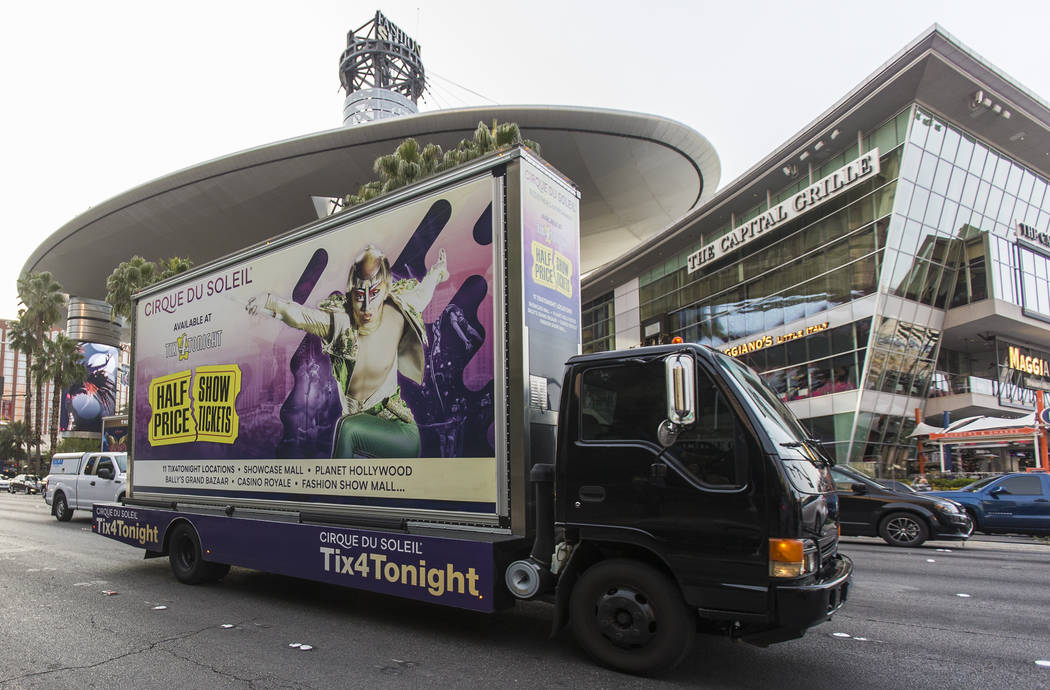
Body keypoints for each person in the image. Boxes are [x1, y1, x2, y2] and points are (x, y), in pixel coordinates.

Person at [248, 244, 449, 458]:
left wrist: (437, 272)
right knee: (349, 427)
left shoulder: (398, 312)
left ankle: (337, 490)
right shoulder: (341, 326)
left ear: (385, 290)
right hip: (359, 435)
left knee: (348, 427)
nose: (366, 306)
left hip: (399, 432)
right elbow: (301, 317)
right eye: (359, 295)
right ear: (351, 294)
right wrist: (269, 301)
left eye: (374, 293)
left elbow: (422, 293)